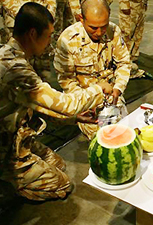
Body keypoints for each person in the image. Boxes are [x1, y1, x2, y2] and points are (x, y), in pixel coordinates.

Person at [0, 2, 112, 201]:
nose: (50, 42)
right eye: (49, 35)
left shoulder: (13, 55)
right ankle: (9, 180)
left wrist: (75, 119)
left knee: (58, 164)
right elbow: (66, 104)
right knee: (61, 185)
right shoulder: (14, 69)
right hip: (6, 143)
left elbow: (39, 105)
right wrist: (98, 88)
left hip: (17, 134)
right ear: (33, 34)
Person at [54, 0, 131, 140]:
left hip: (111, 96)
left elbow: (124, 63)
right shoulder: (68, 40)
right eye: (93, 28)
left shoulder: (113, 31)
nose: (99, 32)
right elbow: (66, 80)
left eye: (104, 26)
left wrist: (118, 89)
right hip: (85, 99)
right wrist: (84, 102)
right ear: (81, 19)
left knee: (124, 133)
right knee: (103, 138)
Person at [118, 0, 148, 78]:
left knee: (137, 33)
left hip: (140, 5)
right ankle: (123, 61)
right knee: (127, 34)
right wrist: (124, 5)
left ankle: (133, 57)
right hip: (130, 6)